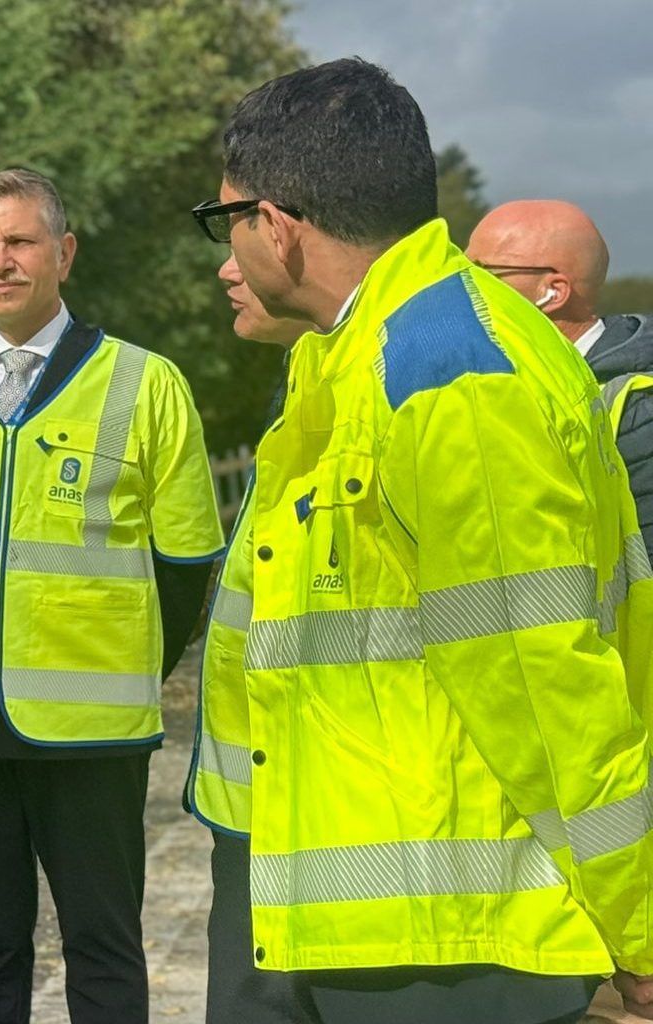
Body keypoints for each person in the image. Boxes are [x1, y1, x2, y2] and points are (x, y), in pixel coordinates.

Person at [194, 56, 653, 1023]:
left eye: (223, 220)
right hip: (346, 914)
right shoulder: (355, 354)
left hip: (446, 947)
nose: (224, 252)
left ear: (275, 225)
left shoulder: (449, 375)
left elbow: (539, 676)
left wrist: (639, 924)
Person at [0, 168, 224, 1024]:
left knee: (103, 945)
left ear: (65, 252)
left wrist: (124, 665)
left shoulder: (145, 384)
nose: (1, 261)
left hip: (94, 735)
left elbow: (185, 565)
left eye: (19, 241)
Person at [183, 255, 318, 1024]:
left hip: (314, 804)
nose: (225, 269)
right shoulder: (299, 383)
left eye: (242, 235)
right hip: (255, 797)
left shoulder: (364, 390)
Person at [466, 200, 653, 549]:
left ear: (552, 292)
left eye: (481, 272)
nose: (461, 286)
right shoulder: (491, 389)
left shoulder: (639, 411)